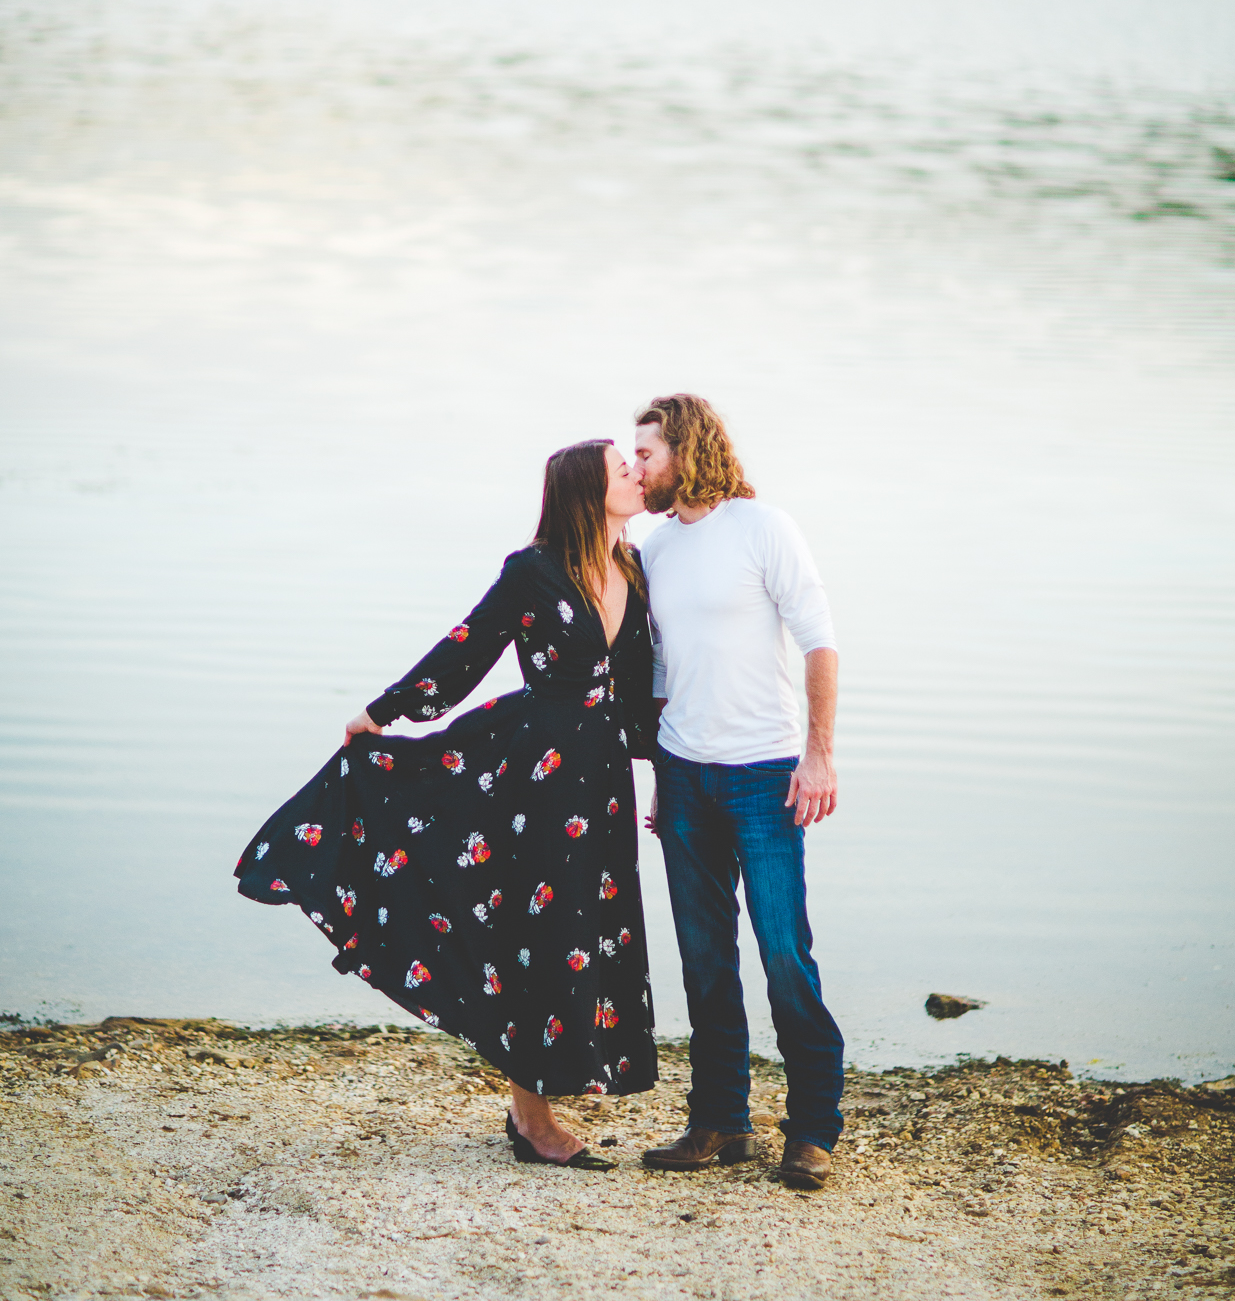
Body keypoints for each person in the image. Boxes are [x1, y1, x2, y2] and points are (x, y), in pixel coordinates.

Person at [235, 440, 659, 1169]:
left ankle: (541, 1097)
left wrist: (672, 773)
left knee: (582, 925)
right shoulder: (532, 571)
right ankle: (533, 1118)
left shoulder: (633, 567)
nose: (637, 474)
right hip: (533, 775)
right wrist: (385, 710)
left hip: (602, 781)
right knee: (535, 927)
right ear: (587, 492)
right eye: (623, 468)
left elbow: (642, 686)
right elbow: (468, 647)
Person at [634, 393, 844, 1191]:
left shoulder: (764, 528)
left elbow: (820, 642)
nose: (637, 467)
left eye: (647, 453)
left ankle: (813, 1130)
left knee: (784, 953)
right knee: (704, 959)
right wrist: (661, 775)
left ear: (685, 451)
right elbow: (662, 668)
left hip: (764, 775)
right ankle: (721, 1121)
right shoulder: (655, 547)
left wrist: (818, 756)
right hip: (684, 775)